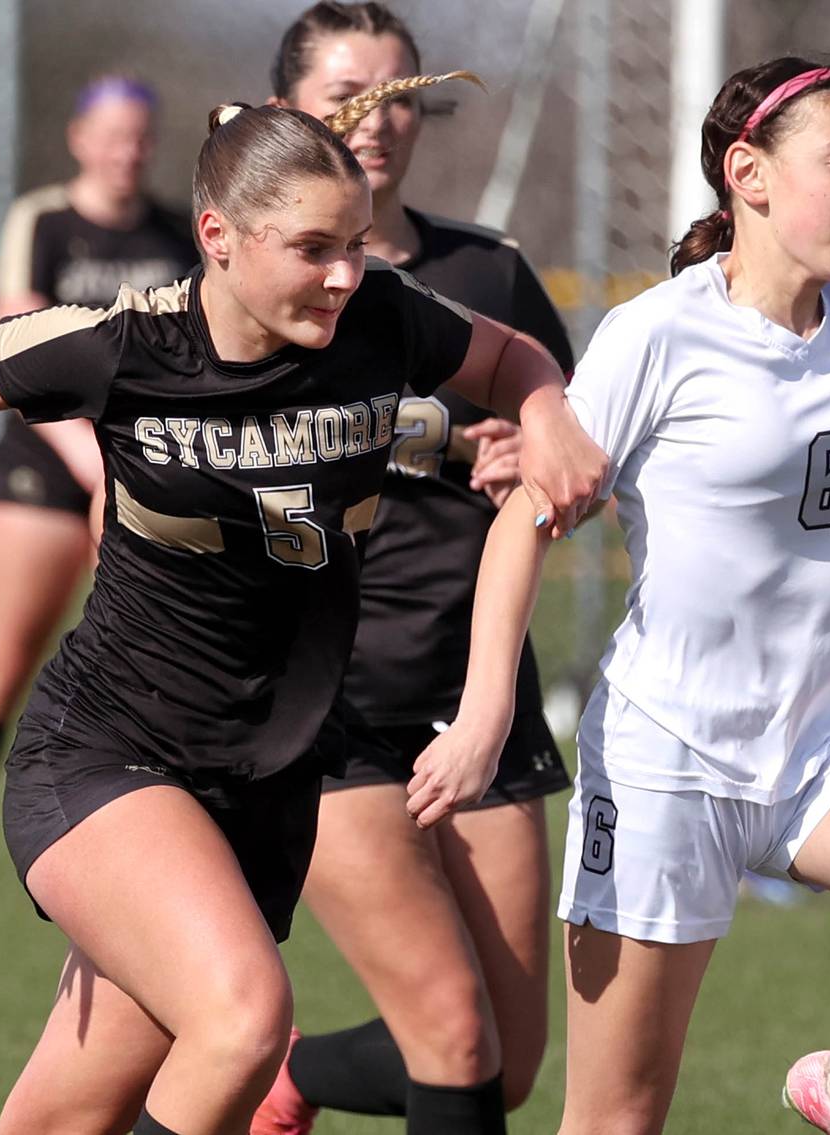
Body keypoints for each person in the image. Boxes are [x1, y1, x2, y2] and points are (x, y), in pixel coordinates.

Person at [0, 85, 603, 1135]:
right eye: (311, 248)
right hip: (108, 751)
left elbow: (511, 356)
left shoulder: (383, 316)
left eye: (353, 244)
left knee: (64, 1117)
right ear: (219, 237)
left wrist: (547, 410)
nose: (345, 274)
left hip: (263, 778)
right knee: (244, 1020)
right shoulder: (122, 344)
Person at [405, 57, 830, 1135]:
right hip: (668, 763)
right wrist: (489, 708)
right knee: (617, 1119)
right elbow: (522, 522)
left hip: (824, 745)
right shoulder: (658, 337)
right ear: (750, 175)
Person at [249, 7, 573, 1134]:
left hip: (475, 683)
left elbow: (567, 460)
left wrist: (539, 454)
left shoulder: (488, 273)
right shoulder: (242, 282)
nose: (377, 121)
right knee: (455, 1034)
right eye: (348, 92)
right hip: (327, 704)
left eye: (401, 96)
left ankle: (293, 1078)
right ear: (285, 109)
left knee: (508, 1063)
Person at [0, 74, 197, 905]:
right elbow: (14, 343)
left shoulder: (177, 232)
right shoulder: (43, 220)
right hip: (42, 471)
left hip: (145, 477)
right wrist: (90, 464)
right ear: (79, 138)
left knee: (162, 667)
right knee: (4, 657)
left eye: (142, 134)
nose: (128, 149)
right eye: (112, 133)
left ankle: (159, 846)